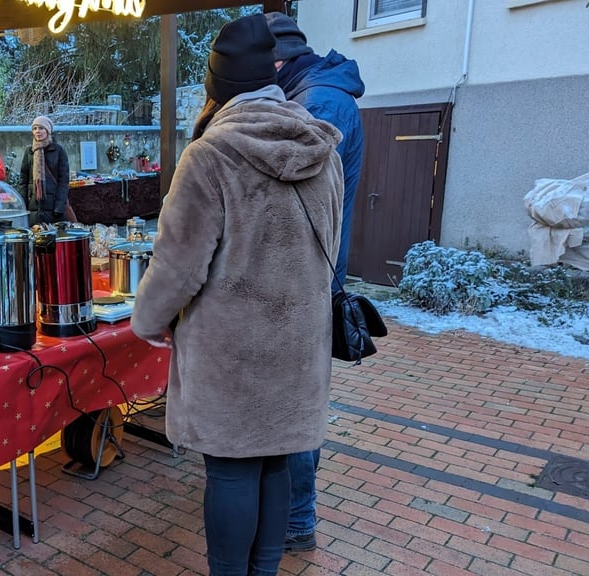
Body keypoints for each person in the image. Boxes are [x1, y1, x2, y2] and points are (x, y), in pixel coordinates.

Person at [130, 13, 342, 576]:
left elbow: (177, 267)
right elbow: (332, 251)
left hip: (229, 355)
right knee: (275, 464)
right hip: (298, 347)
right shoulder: (325, 152)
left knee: (230, 472)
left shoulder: (210, 157)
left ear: (218, 88)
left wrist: (146, 322)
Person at [266, 11, 366, 553]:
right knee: (292, 400)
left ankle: (296, 519)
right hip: (304, 274)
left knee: (295, 404)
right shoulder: (314, 93)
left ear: (277, 61)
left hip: (307, 279)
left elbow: (289, 186)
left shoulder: (322, 102)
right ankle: (290, 511)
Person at [18, 116, 70, 224]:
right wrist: (22, 206)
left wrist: (59, 207)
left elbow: (63, 181)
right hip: (33, 207)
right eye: (35, 128)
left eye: (41, 128)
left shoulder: (58, 150)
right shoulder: (29, 151)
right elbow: (23, 180)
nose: (38, 131)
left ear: (48, 131)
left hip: (53, 207)